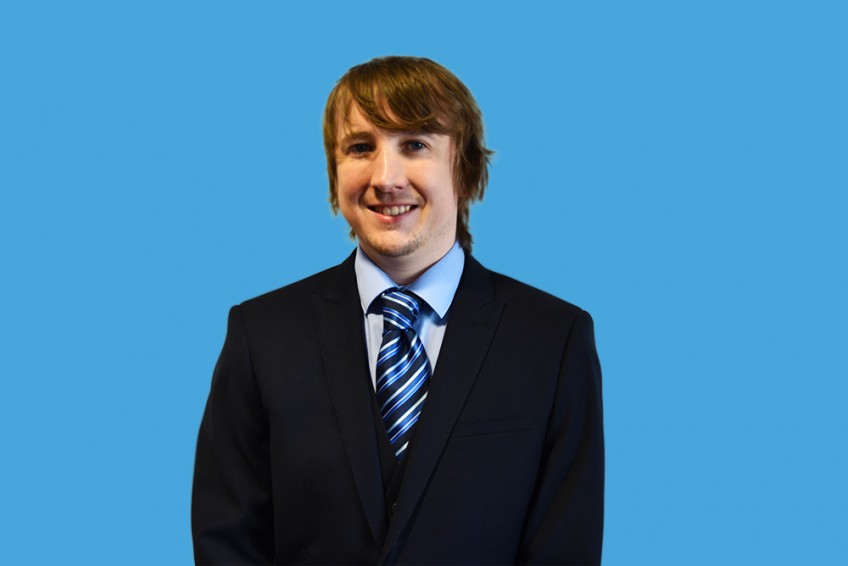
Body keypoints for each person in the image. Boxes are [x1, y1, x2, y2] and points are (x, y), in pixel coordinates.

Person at [192, 56, 604, 565]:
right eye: (360, 148)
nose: (386, 178)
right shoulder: (261, 336)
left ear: (465, 169)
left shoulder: (553, 339)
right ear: (334, 173)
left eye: (415, 145)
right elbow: (228, 542)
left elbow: (565, 548)